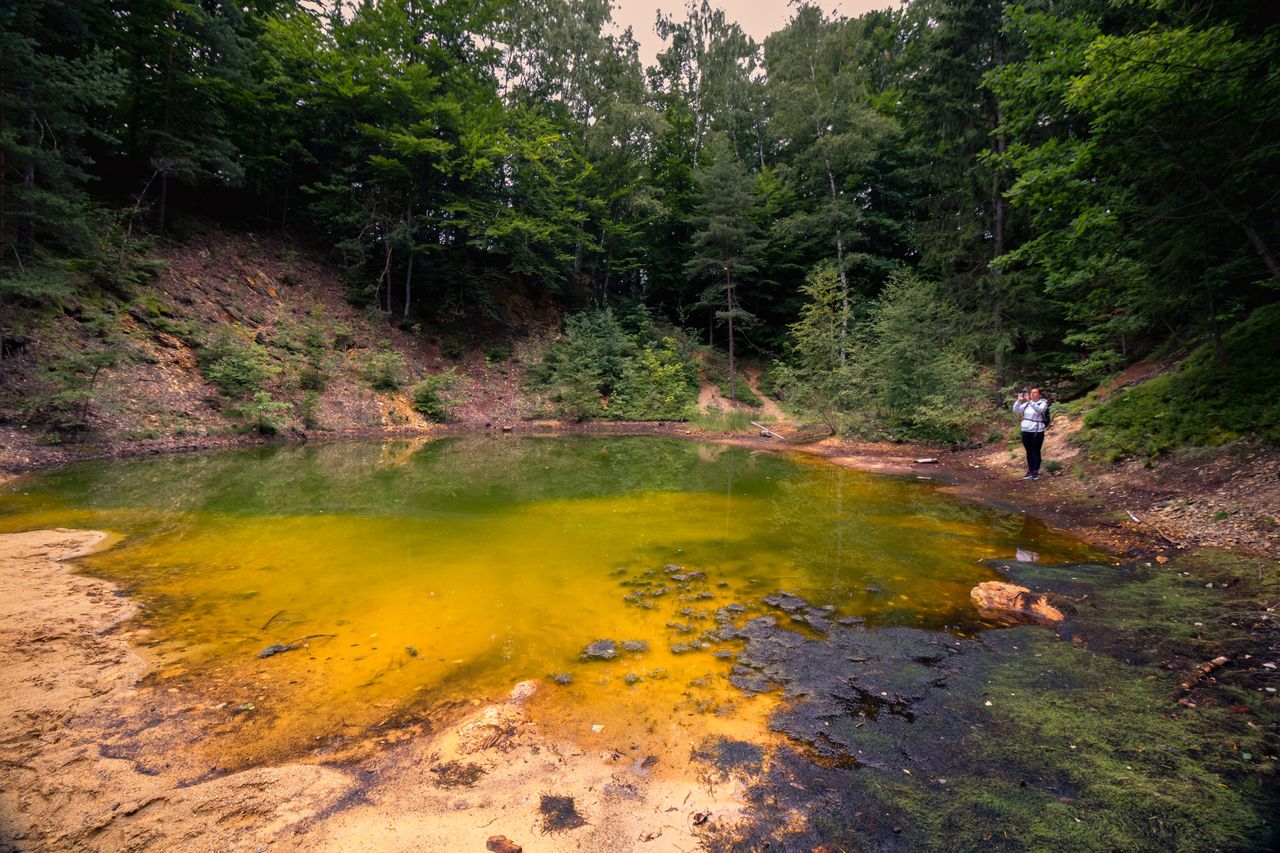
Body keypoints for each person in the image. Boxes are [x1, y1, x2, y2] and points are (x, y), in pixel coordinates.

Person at [1013, 387, 1048, 480]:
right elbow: (1016, 410)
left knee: (1036, 450)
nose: (1033, 394)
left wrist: (1030, 401)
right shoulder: (1026, 404)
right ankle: (1030, 470)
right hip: (1025, 430)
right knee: (1028, 451)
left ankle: (1036, 471)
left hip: (1037, 431)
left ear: (1039, 394)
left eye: (1035, 392)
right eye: (1031, 392)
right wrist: (1019, 401)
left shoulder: (1042, 403)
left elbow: (1040, 410)